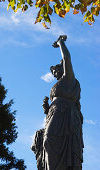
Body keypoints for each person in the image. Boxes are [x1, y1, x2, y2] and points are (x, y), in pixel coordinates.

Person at [42, 35, 84, 170]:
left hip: (66, 116)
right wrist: (47, 109)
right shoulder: (59, 84)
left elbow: (67, 58)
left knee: (50, 139)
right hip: (54, 114)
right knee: (47, 142)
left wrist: (61, 43)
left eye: (55, 69)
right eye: (53, 71)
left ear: (62, 68)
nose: (54, 73)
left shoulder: (69, 78)